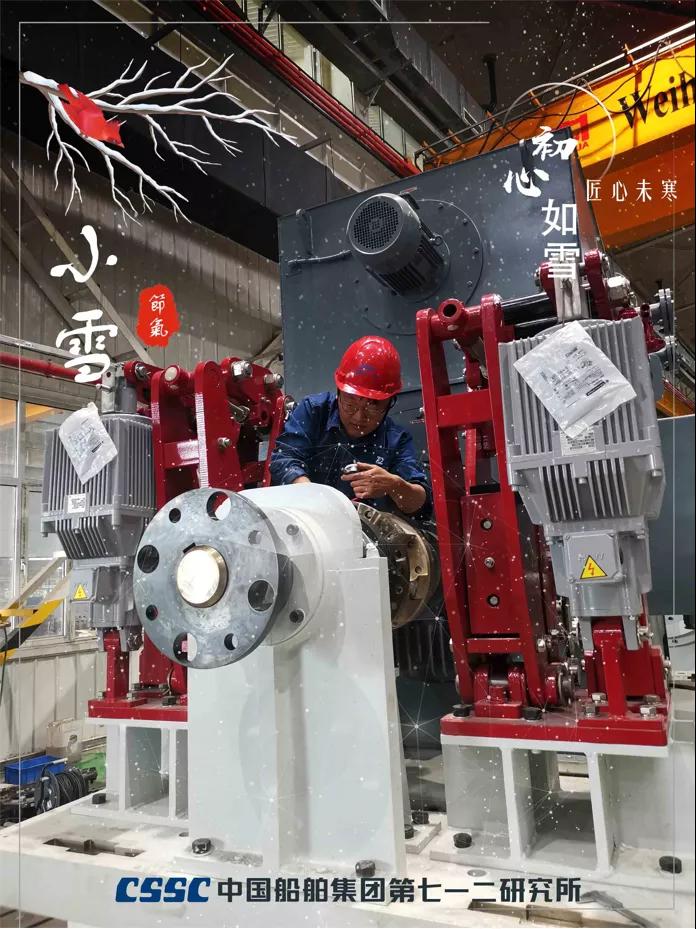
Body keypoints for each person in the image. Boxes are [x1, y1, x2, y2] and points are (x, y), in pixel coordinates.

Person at [270, 336, 432, 518]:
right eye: (350, 404)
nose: (358, 417)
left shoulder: (397, 441)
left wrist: (394, 485)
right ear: (339, 392)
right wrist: (312, 495)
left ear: (390, 403)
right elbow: (283, 459)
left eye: (372, 407)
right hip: (306, 521)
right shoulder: (314, 411)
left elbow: (421, 504)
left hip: (365, 533)